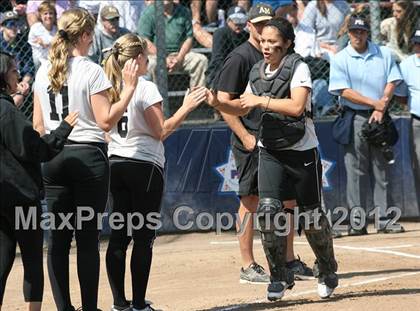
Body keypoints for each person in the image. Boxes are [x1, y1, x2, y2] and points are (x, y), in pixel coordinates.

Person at [32, 8, 139, 311]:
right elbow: (105, 122)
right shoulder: (91, 70)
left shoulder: (43, 70)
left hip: (52, 157)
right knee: (87, 238)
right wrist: (129, 90)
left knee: (57, 240)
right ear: (83, 35)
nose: (92, 40)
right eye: (90, 34)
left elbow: (39, 127)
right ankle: (89, 309)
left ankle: (64, 308)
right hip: (87, 156)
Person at [102, 34, 208, 311]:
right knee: (143, 237)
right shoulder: (144, 87)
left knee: (118, 235)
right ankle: (138, 305)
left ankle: (119, 303)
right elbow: (160, 132)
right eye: (146, 55)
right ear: (136, 59)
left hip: (115, 163)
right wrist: (186, 107)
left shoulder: (108, 84)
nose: (149, 59)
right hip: (144, 165)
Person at [236, 17, 338, 301]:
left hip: (301, 149)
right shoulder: (257, 70)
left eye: (273, 42)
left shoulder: (299, 67)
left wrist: (261, 101)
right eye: (264, 41)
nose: (267, 46)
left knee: (312, 215)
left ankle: (327, 270)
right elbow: (243, 104)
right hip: (269, 149)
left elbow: (295, 106)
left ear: (287, 44)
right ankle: (279, 276)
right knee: (268, 212)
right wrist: (216, 101)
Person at [212, 3, 313, 284]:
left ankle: (289, 260)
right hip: (251, 137)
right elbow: (224, 102)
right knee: (251, 200)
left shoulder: (282, 56)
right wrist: (245, 135)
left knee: (288, 199)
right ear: (249, 26)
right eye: (257, 25)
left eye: (267, 24)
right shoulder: (241, 57)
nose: (262, 29)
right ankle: (248, 264)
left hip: (278, 140)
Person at [0, 51, 77, 311]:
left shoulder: (8, 108)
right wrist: (64, 129)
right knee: (32, 257)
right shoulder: (7, 111)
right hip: (21, 197)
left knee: (2, 257)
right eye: (13, 71)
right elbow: (35, 149)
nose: (17, 75)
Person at [329, 16, 404, 235]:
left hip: (379, 116)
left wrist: (381, 107)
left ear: (367, 32)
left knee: (381, 168)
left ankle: (384, 220)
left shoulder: (383, 53)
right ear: (348, 33)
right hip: (354, 116)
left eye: (361, 31)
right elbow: (343, 90)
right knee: (355, 171)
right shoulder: (341, 58)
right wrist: (374, 103)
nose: (357, 35)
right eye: (354, 31)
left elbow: (392, 80)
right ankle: (357, 222)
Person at [137, 0, 208, 88]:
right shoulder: (148, 13)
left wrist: (179, 58)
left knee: (201, 60)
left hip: (180, 55)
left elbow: (189, 38)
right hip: (156, 56)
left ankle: (196, 98)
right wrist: (164, 58)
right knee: (151, 64)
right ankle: (155, 99)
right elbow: (144, 40)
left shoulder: (184, 11)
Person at [395, 29, 420, 207]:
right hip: (417, 120)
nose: (418, 47)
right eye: (416, 43)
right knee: (418, 165)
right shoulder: (407, 65)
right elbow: (401, 96)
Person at [205, 5, 249, 89]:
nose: (238, 24)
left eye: (241, 20)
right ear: (228, 21)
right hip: (221, 71)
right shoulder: (221, 33)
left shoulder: (246, 35)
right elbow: (218, 59)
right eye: (235, 20)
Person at [0, 10, 34, 107]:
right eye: (10, 25)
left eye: (16, 24)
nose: (14, 28)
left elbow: (29, 68)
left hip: (19, 81)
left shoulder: (23, 43)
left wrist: (23, 83)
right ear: (2, 27)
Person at [28, 1, 57, 71]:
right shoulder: (36, 28)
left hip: (53, 59)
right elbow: (32, 41)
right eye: (45, 14)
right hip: (40, 60)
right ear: (40, 16)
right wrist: (44, 44)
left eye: (51, 13)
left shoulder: (56, 29)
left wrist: (45, 44)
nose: (48, 16)